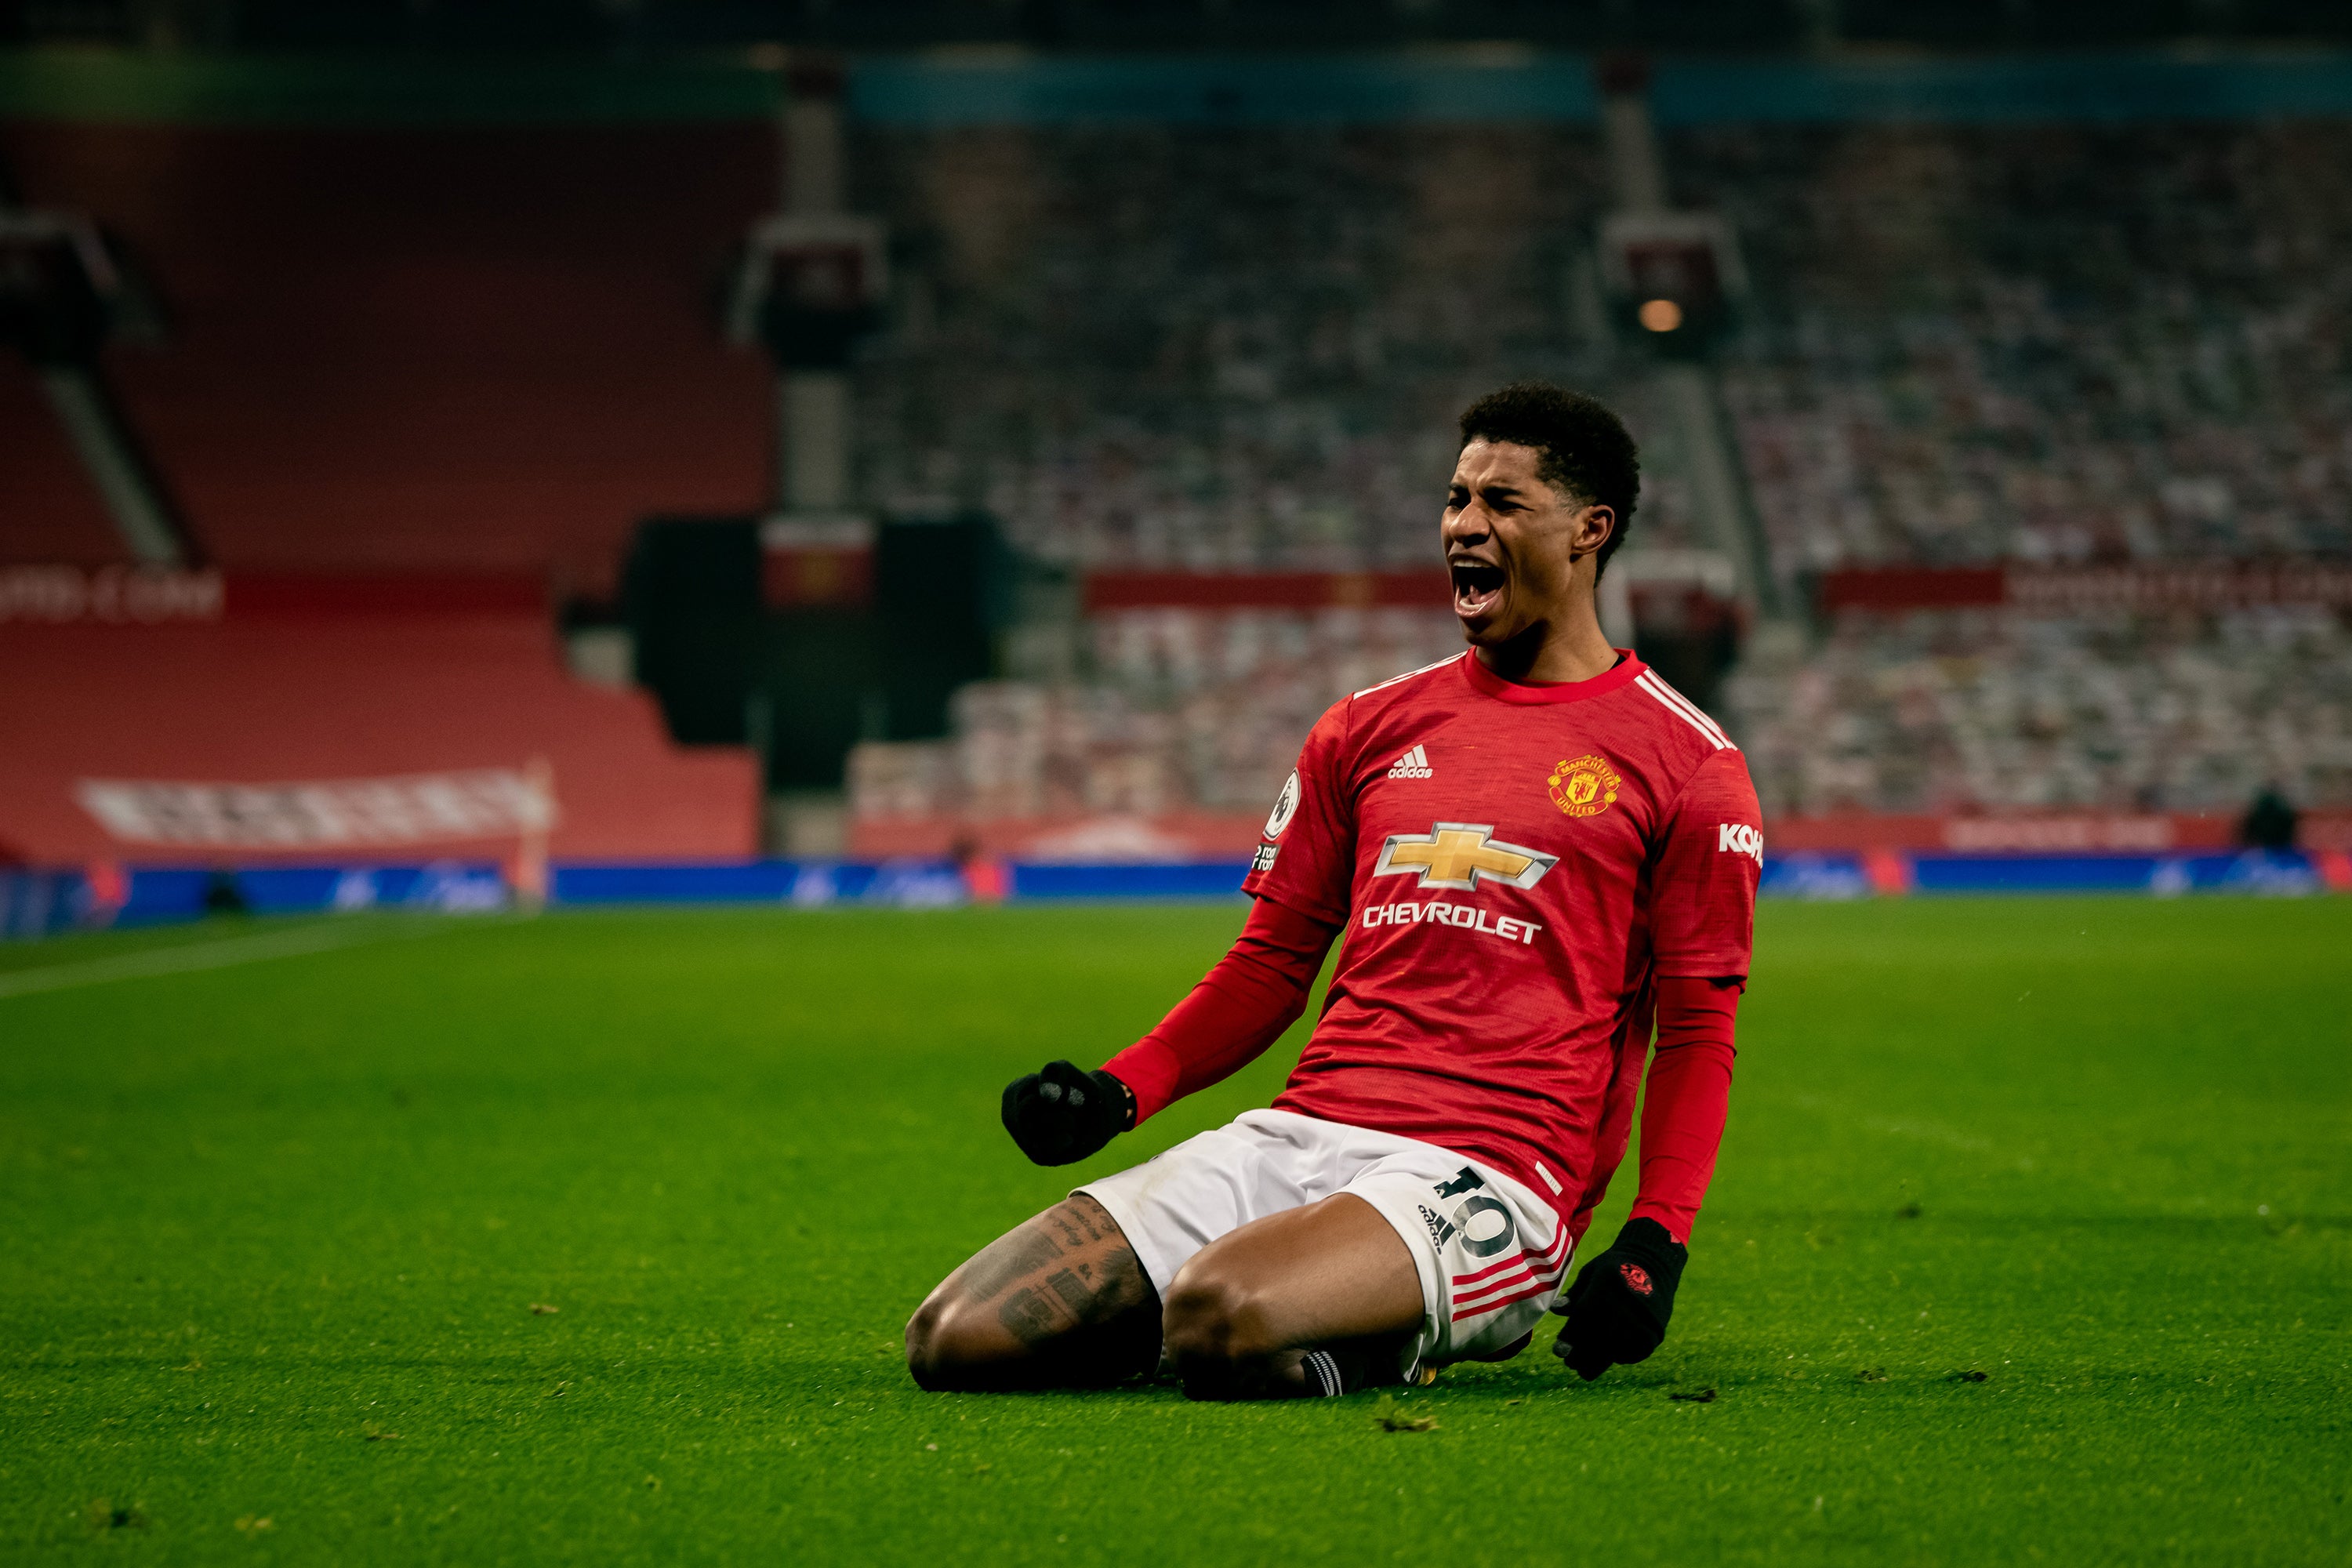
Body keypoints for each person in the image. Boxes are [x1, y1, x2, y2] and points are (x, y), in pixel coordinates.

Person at [905, 383, 1762, 1399]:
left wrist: (1653, 1243)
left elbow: (1698, 1033)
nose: (1464, 527)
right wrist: (1116, 1091)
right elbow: (1271, 964)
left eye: (1501, 503)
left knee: (1224, 1312)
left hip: (1495, 1172)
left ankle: (1384, 1327)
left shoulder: (1687, 763)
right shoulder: (1365, 729)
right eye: (1455, 500)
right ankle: (1307, 1320)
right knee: (959, 1338)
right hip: (1303, 1135)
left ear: (1590, 530)